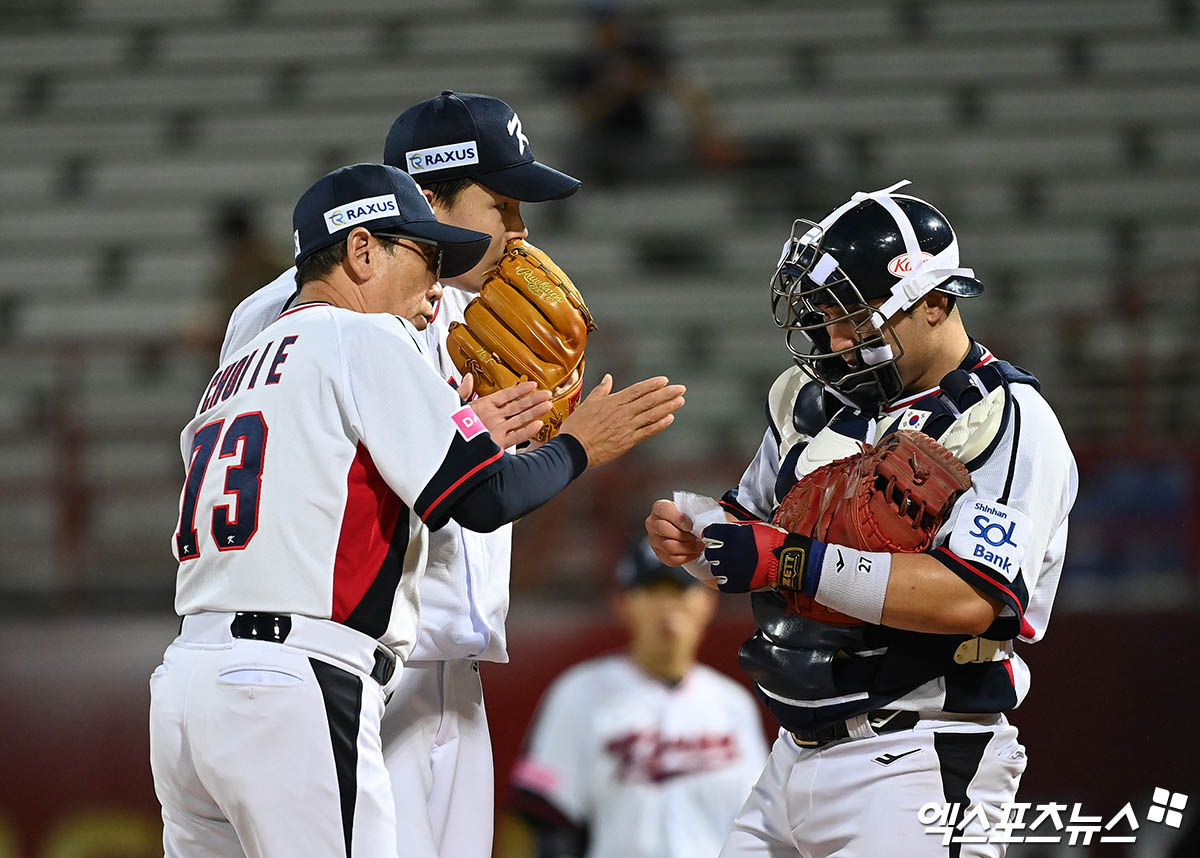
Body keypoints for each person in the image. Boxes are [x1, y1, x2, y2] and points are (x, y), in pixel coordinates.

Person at [149, 163, 685, 858]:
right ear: (362, 250)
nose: (437, 285)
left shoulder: (234, 368)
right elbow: (488, 499)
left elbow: (318, 482)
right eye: (425, 257)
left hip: (187, 687)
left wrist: (454, 428)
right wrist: (582, 445)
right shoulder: (364, 337)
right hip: (293, 686)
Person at [215, 91, 598, 858]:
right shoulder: (302, 311)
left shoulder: (484, 310)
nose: (521, 230)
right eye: (503, 202)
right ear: (431, 198)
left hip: (452, 671)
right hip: (352, 663)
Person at [646, 180, 1077, 858]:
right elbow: (753, 527)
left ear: (935, 302)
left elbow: (974, 598)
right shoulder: (817, 402)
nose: (838, 339)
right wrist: (696, 536)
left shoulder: (1004, 420)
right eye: (827, 316)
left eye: (858, 317)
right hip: (790, 754)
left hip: (920, 756)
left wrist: (790, 560)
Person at [507, 537, 768, 858]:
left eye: (680, 590)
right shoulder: (579, 693)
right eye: (652, 591)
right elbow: (543, 816)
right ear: (623, 603)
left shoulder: (733, 705)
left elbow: (760, 825)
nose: (667, 607)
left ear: (707, 602)